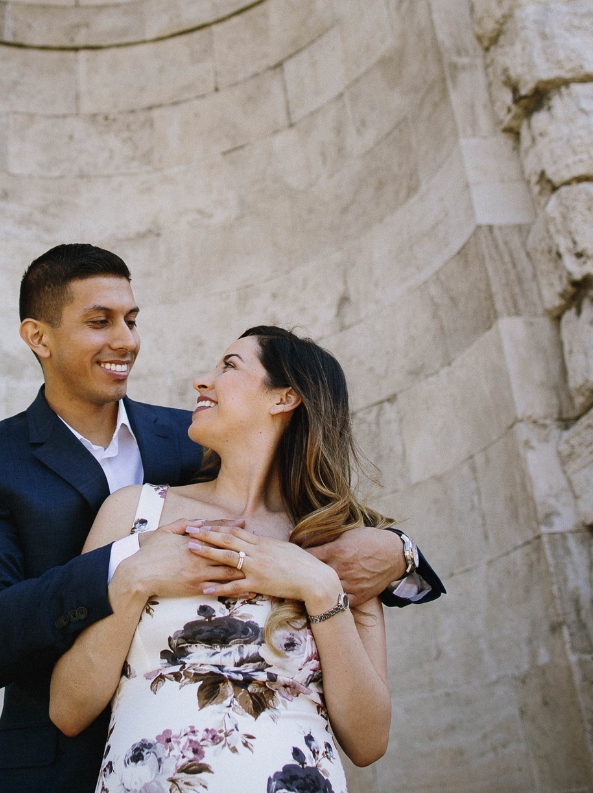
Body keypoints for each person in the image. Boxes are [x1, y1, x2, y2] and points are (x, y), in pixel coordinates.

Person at [0, 245, 443, 793]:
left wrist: (399, 550)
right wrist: (130, 568)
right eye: (99, 322)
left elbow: (325, 518)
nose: (127, 340)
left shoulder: (196, 433)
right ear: (39, 337)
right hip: (70, 765)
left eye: (131, 320)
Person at [50, 327, 392, 792]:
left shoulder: (340, 546)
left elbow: (369, 743)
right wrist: (133, 580)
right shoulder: (135, 512)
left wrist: (320, 588)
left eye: (229, 366)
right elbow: (67, 710)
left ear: (284, 397)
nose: (202, 381)